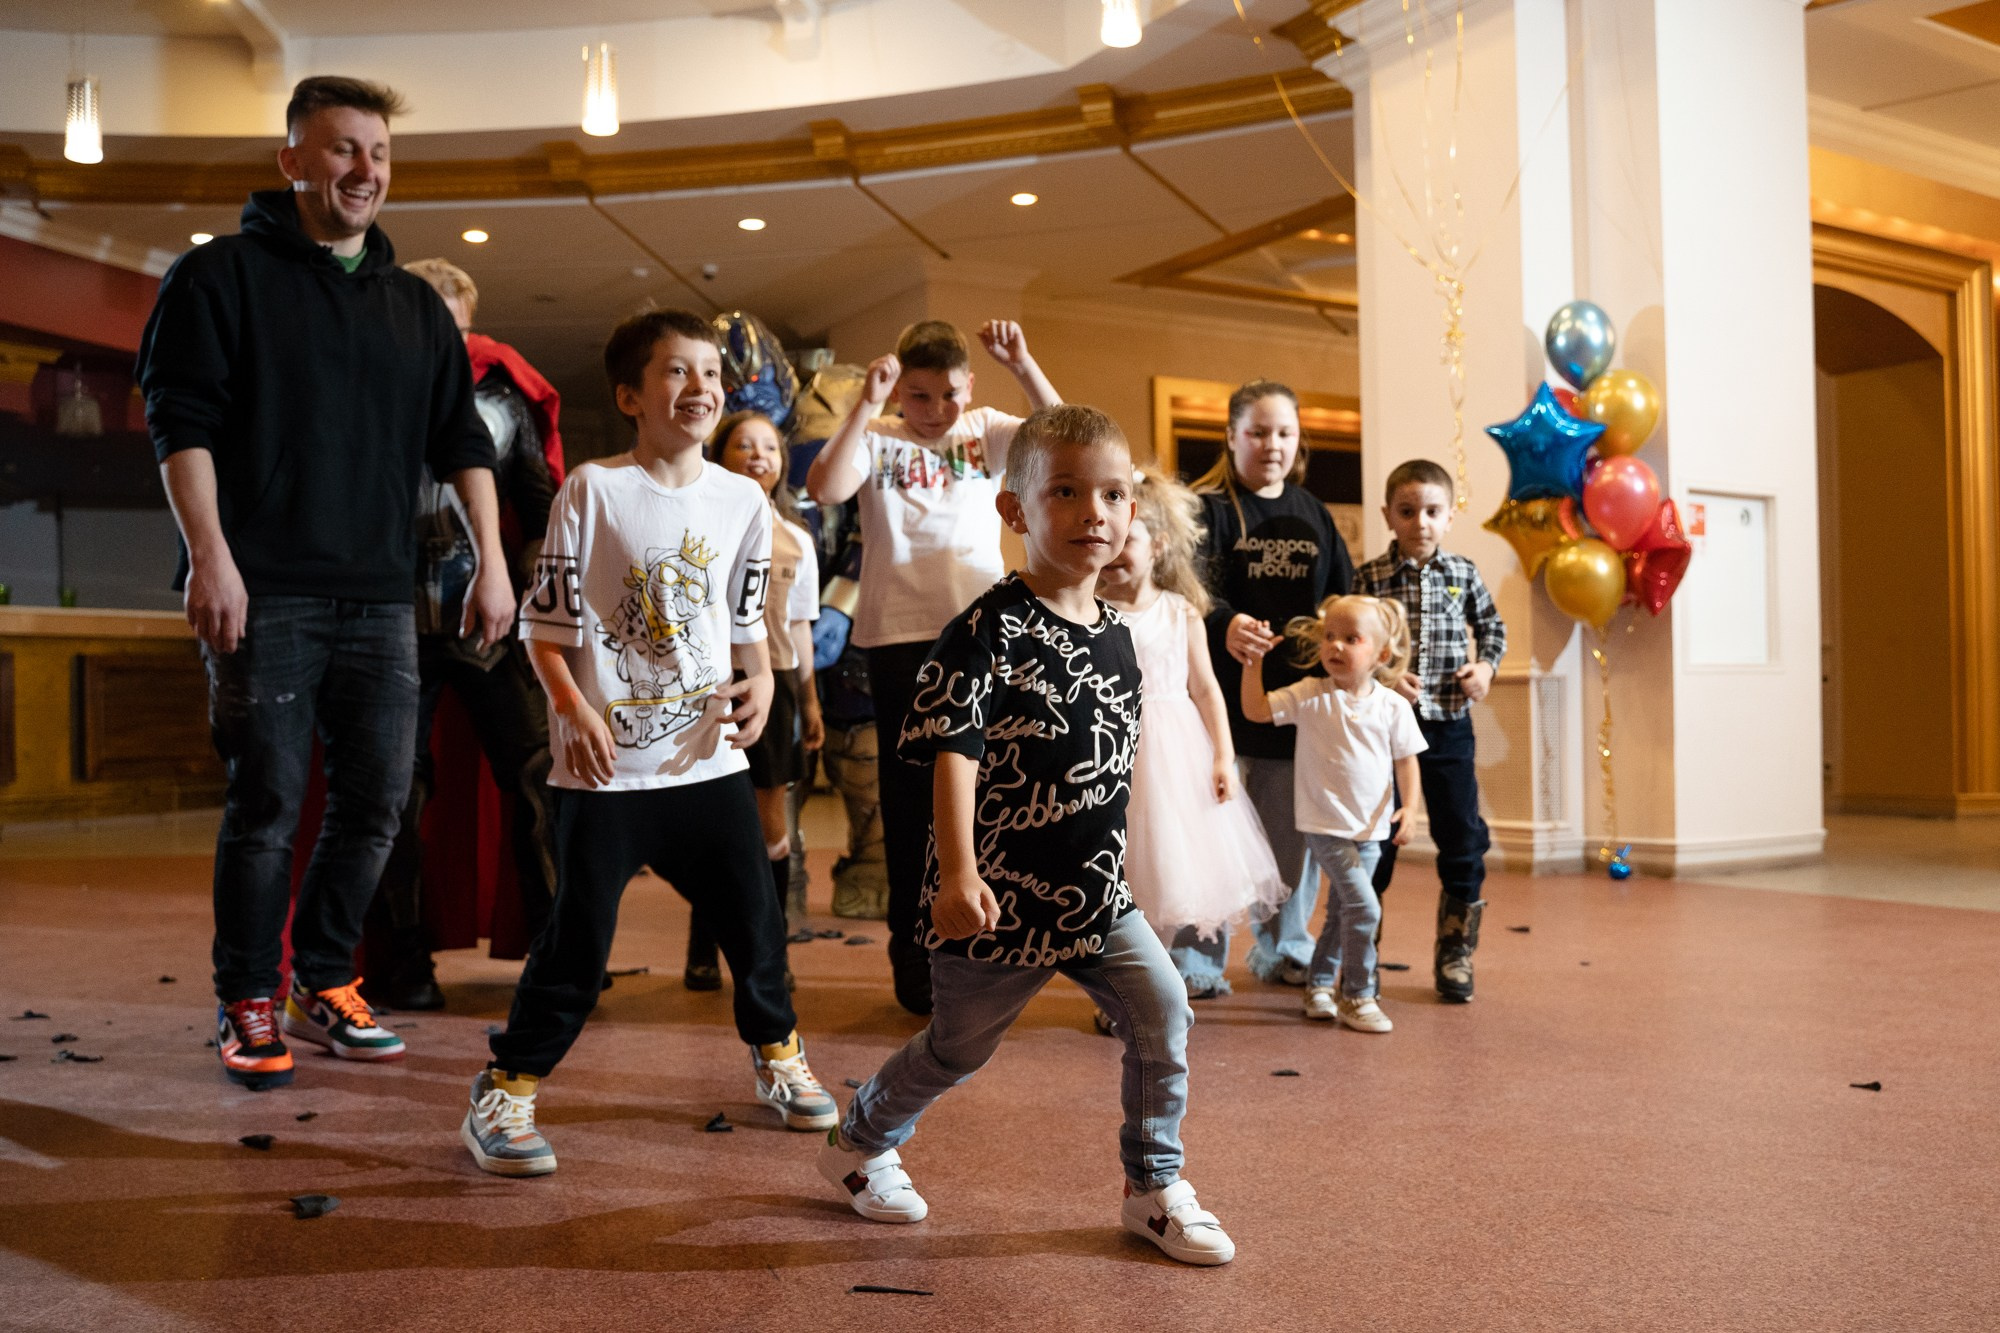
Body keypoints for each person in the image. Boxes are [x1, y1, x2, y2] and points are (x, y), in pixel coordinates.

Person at [138, 76, 515, 1091]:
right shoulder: (216, 280)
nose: (365, 170)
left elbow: (460, 439)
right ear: (292, 160)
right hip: (264, 589)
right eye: (342, 149)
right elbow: (183, 424)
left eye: (379, 153)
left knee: (380, 802)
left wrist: (492, 557)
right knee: (266, 800)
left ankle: (322, 975)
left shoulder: (412, 308)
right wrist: (210, 557)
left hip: (382, 596)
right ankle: (246, 992)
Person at [819, 405, 1235, 1267]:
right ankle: (857, 1138)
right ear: (1015, 512)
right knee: (957, 1049)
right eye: (1067, 491)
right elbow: (953, 753)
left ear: (1134, 513)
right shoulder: (987, 631)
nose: (1095, 511)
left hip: (1094, 894)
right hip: (996, 901)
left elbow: (1113, 768)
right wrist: (958, 874)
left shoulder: (1119, 636)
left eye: (1114, 494)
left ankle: (1152, 1184)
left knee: (1163, 1007)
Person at [459, 310, 836, 1177]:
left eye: (709, 371)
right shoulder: (592, 489)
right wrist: (573, 710)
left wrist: (768, 680)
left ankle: (778, 1052)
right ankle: (505, 1088)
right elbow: (542, 632)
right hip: (605, 774)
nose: (699, 387)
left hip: (708, 761)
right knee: (577, 947)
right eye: (676, 371)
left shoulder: (743, 499)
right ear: (631, 395)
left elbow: (747, 622)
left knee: (756, 920)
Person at [804, 318, 1062, 1015]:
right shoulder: (880, 434)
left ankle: (986, 955)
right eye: (919, 396)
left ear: (967, 385)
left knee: (990, 796)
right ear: (900, 392)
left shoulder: (984, 427)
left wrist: (1023, 360)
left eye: (948, 394)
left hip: (981, 631)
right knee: (912, 801)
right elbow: (825, 485)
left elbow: (1066, 433)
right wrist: (867, 402)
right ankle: (914, 961)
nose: (936, 410)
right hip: (898, 638)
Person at [363, 257, 564, 1010]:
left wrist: (535, 593)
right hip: (384, 617)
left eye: (454, 321)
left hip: (486, 612)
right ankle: (400, 962)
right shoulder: (363, 383)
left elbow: (540, 506)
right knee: (393, 793)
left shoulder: (500, 395)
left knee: (541, 772)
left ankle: (555, 950)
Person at [1185, 380, 1354, 996]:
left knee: (1290, 836)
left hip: (1295, 704)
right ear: (1231, 437)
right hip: (1217, 704)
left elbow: (1342, 600)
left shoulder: (1316, 514)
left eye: (1284, 432)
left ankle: (1285, 946)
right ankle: (1197, 958)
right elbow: (1182, 590)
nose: (1272, 445)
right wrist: (1225, 622)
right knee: (1212, 831)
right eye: (1257, 432)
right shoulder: (1205, 509)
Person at [1094, 466, 1285, 1001]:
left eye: (1126, 539)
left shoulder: (1182, 613)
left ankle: (1159, 984)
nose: (1113, 550)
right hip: (1114, 754)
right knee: (1123, 875)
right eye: (1105, 539)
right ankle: (1127, 987)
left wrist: (1223, 756)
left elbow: (1205, 691)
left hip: (1175, 755)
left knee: (1170, 871)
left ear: (1156, 545)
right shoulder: (1091, 613)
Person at [1352, 459, 1507, 1003]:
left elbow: (1493, 629)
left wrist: (1485, 668)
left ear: (1449, 517)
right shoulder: (1369, 578)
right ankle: (1359, 956)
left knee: (1462, 841)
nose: (1421, 521)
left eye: (1433, 511)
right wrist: (1385, 676)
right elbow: (1352, 646)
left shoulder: (1462, 574)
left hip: (1448, 730)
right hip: (1385, 737)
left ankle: (1455, 952)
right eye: (1408, 511)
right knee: (1378, 844)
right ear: (1388, 516)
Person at [683, 409, 825, 991]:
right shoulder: (700, 524)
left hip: (779, 687)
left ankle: (770, 957)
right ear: (721, 454)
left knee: (771, 822)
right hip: (711, 683)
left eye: (769, 446)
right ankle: (701, 950)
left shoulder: (795, 539)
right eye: (744, 445)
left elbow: (801, 628)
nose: (758, 455)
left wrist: (811, 703)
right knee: (711, 818)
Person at [1240, 596, 1425, 1032]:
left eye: (1350, 639)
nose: (1335, 647)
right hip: (1324, 826)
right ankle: (1358, 996)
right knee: (1365, 909)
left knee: (1344, 909)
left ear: (1381, 654)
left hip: (1372, 829)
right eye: (1329, 637)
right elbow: (1256, 710)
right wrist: (1253, 664)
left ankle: (1319, 984)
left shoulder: (1392, 706)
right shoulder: (1311, 695)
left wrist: (1411, 809)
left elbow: (1406, 760)